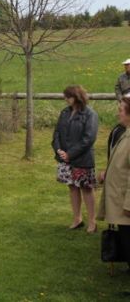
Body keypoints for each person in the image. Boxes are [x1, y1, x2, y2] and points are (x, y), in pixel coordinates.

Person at [52, 85, 99, 233]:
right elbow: (57, 133)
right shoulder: (65, 112)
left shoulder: (90, 114)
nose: (65, 99)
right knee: (72, 187)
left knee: (86, 189)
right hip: (65, 159)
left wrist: (70, 154)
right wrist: (58, 149)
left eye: (68, 96)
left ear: (77, 97)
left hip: (82, 159)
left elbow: (89, 139)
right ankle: (77, 219)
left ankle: (92, 222)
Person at [97, 97, 130, 266]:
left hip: (126, 207)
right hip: (121, 203)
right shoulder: (125, 133)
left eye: (121, 110)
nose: (118, 114)